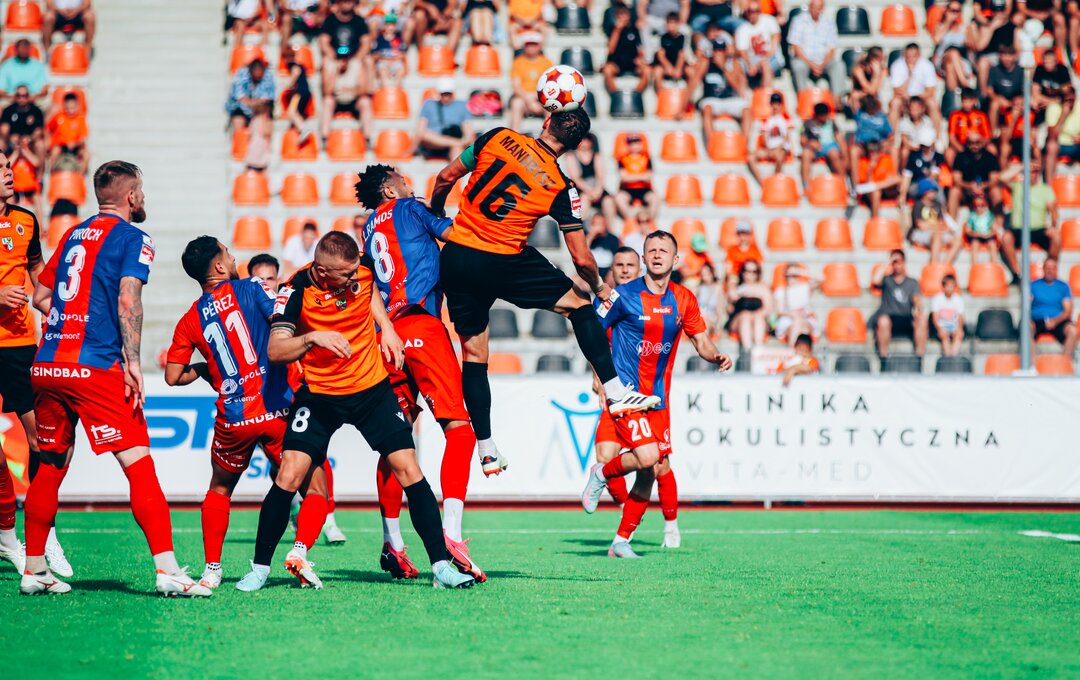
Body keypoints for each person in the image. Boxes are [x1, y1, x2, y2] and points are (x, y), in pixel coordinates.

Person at [430, 109, 662, 471]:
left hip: (458, 256)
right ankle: (616, 392)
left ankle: (486, 448)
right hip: (503, 259)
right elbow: (581, 258)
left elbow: (445, 176)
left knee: (474, 354)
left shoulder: (497, 136)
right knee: (579, 304)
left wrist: (436, 213)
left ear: (545, 121)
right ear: (576, 146)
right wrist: (600, 286)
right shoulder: (560, 185)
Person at [252, 231, 475, 590]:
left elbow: (370, 290)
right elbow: (276, 351)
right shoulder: (295, 290)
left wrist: (387, 327)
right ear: (322, 271)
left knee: (409, 469)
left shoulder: (362, 270)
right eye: (346, 275)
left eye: (356, 270)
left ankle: (441, 566)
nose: (354, 278)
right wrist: (312, 337)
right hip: (320, 395)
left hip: (372, 390)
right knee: (289, 475)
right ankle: (259, 569)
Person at [25, 161, 209, 596]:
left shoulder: (73, 234)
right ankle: (167, 571)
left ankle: (34, 570)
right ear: (130, 196)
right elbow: (129, 298)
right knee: (139, 464)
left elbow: (41, 296)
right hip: (95, 366)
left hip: (47, 364)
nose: (142, 197)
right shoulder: (133, 237)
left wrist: (71, 323)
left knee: (50, 467)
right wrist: (132, 361)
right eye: (140, 190)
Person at [166, 237, 332, 590]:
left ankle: (212, 570)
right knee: (316, 487)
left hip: (235, 417)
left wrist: (207, 369)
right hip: (276, 410)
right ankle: (299, 551)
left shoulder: (189, 319)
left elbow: (173, 376)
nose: (233, 256)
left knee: (219, 489)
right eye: (228, 253)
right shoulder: (253, 287)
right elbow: (283, 321)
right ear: (219, 267)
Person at [356, 165, 489, 583]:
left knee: (396, 443)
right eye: (400, 176)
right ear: (389, 187)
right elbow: (456, 234)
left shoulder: (368, 229)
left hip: (387, 336)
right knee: (461, 431)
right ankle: (452, 535)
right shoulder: (409, 207)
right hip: (421, 326)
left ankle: (392, 544)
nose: (408, 180)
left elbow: (367, 281)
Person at [585, 231, 732, 556]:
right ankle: (602, 474)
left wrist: (716, 356)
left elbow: (701, 340)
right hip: (625, 395)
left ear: (675, 259)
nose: (657, 254)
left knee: (651, 470)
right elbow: (590, 331)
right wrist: (600, 376)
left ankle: (622, 540)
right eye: (651, 249)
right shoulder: (622, 295)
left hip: (658, 399)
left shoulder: (683, 298)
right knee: (637, 457)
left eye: (663, 250)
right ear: (644, 258)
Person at [0, 154, 70, 578]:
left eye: (9, 166)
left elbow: (37, 271)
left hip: (20, 345)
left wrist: (57, 307)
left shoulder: (26, 219)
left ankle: (45, 535)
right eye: (1, 168)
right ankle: (8, 536)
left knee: (41, 441)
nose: (9, 173)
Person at [1002, 159, 1059, 276]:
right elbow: (1001, 178)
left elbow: (1053, 211)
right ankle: (1018, 273)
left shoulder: (1045, 189)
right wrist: (1022, 167)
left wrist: (1053, 226)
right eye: (1030, 171)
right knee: (1006, 237)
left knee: (1056, 237)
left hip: (1038, 229)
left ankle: (1049, 269)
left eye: (1035, 171)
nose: (1032, 174)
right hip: (1019, 229)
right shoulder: (1017, 186)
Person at [697, 21, 751, 144]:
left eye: (721, 50)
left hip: (730, 99)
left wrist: (723, 67)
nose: (718, 53)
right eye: (716, 50)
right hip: (712, 100)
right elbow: (693, 83)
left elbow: (738, 88)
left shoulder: (734, 64)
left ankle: (744, 145)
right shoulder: (706, 63)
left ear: (726, 51)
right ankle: (712, 145)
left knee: (747, 110)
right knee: (707, 109)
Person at [870, 249, 927, 358]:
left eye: (899, 262)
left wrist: (918, 308)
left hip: (906, 317)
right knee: (883, 321)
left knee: (922, 319)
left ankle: (919, 358)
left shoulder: (912, 282)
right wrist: (888, 262)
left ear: (904, 263)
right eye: (894, 262)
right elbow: (875, 280)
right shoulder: (887, 280)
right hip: (890, 318)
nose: (897, 265)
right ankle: (883, 359)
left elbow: (917, 299)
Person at [786, 0, 844, 98]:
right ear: (809, 7)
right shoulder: (798, 21)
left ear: (823, 8)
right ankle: (803, 99)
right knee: (798, 66)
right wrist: (811, 65)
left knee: (838, 66)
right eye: (813, 7)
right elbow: (796, 47)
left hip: (824, 62)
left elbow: (832, 49)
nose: (816, 10)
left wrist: (822, 64)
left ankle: (837, 100)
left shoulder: (829, 22)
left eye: (818, 7)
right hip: (804, 60)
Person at [1032, 49, 1074, 182]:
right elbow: (1035, 95)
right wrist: (1053, 101)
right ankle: (1040, 175)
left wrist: (1054, 101)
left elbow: (1067, 90)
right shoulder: (1039, 70)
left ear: (1056, 61)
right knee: (1037, 141)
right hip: (1044, 109)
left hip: (1054, 104)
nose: (1048, 64)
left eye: (1050, 61)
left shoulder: (1062, 71)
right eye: (1046, 61)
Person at [563, 133, 617, 226]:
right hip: (581, 188)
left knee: (608, 201)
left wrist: (598, 190)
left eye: (587, 140)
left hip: (596, 187)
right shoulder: (571, 156)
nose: (584, 143)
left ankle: (610, 228)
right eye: (581, 140)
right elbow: (575, 178)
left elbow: (600, 176)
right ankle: (581, 227)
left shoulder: (596, 155)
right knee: (584, 199)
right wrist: (590, 191)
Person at [415, 78, 475, 160]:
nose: (446, 97)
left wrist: (467, 141)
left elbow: (468, 130)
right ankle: (457, 143)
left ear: (452, 93)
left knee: (457, 150)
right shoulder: (429, 104)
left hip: (453, 146)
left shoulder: (462, 106)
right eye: (443, 94)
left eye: (448, 94)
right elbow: (421, 132)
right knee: (425, 134)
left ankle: (455, 157)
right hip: (432, 145)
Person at [1030, 257, 1078, 356]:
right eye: (1047, 268)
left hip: (1058, 320)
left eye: (1053, 268)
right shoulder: (1033, 285)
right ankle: (1032, 362)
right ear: (1043, 269)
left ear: (1056, 270)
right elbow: (1026, 306)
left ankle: (1065, 361)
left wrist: (1055, 321)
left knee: (1073, 331)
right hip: (1038, 320)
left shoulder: (1063, 286)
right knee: (1026, 329)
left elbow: (1067, 311)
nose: (1050, 271)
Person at [948, 130, 1000, 218]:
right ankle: (952, 223)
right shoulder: (960, 157)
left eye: (977, 142)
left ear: (982, 143)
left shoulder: (990, 157)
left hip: (985, 189)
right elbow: (956, 180)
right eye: (971, 143)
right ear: (967, 143)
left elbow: (994, 179)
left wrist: (983, 186)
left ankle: (999, 223)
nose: (974, 145)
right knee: (954, 191)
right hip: (967, 190)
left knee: (996, 191)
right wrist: (970, 186)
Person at [321, 53, 373, 140]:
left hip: (353, 101)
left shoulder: (357, 65)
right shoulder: (329, 66)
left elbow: (364, 90)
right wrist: (335, 72)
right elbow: (327, 91)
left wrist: (351, 90)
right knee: (327, 101)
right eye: (340, 59)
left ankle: (367, 137)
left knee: (365, 101)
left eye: (345, 59)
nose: (343, 62)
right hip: (336, 101)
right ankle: (324, 137)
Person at [888, 43, 940, 129]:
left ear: (919, 55)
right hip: (904, 98)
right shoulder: (897, 65)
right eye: (908, 56)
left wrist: (916, 99)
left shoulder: (927, 65)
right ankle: (891, 135)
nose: (911, 59)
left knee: (933, 104)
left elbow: (930, 90)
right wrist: (909, 76)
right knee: (894, 103)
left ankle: (937, 136)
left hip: (921, 98)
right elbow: (897, 91)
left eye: (914, 56)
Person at [507, 33, 553, 130]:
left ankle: (548, 132)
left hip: (541, 99)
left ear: (539, 46)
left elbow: (550, 85)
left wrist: (536, 98)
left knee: (551, 104)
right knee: (516, 103)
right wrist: (529, 101)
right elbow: (516, 87)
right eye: (529, 44)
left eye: (534, 44)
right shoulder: (518, 62)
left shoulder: (547, 63)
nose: (531, 47)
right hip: (524, 98)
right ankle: (515, 133)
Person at [909, 180, 962, 263]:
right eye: (932, 191)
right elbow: (920, 225)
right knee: (937, 236)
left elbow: (944, 224)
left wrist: (931, 225)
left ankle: (945, 265)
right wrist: (936, 225)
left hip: (938, 232)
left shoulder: (937, 205)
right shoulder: (918, 205)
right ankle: (934, 264)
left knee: (957, 241)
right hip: (920, 234)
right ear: (924, 192)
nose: (934, 193)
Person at [800, 102, 847, 191]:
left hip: (829, 146)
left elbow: (839, 138)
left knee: (834, 154)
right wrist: (810, 143)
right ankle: (806, 186)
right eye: (823, 115)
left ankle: (842, 183)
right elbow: (802, 140)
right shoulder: (808, 124)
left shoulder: (831, 123)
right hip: (814, 149)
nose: (825, 117)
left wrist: (844, 154)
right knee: (805, 154)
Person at [726, 259, 772, 350]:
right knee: (745, 316)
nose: (750, 274)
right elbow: (730, 310)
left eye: (754, 271)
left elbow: (767, 309)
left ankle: (758, 349)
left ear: (758, 273)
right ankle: (747, 349)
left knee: (757, 318)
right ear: (742, 272)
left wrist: (754, 315)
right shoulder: (736, 287)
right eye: (747, 271)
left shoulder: (763, 288)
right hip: (738, 319)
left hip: (758, 319)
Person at [735, 0, 782, 88]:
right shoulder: (742, 29)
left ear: (759, 11)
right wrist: (750, 64)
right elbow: (742, 51)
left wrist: (767, 57)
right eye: (749, 11)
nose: (752, 14)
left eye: (755, 11)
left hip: (771, 56)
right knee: (736, 65)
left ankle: (767, 92)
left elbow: (776, 38)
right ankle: (743, 94)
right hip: (753, 59)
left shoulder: (769, 20)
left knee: (765, 65)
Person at [603, 5, 649, 94]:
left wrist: (640, 58)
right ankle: (616, 95)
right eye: (619, 15)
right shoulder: (612, 29)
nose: (622, 17)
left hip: (632, 64)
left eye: (624, 14)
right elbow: (610, 50)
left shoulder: (634, 30)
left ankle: (636, 94)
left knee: (647, 70)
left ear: (629, 15)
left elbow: (640, 49)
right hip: (617, 64)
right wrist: (617, 30)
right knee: (607, 70)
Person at [774, 263, 821, 346]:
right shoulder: (781, 291)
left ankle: (794, 351)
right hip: (788, 319)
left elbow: (820, 279)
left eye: (794, 275)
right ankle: (796, 350)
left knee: (803, 328)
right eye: (789, 275)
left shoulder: (805, 287)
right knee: (800, 325)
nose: (791, 278)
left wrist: (802, 272)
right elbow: (779, 311)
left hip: (806, 319)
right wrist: (793, 314)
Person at [750, 91, 792, 184]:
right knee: (751, 157)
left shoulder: (786, 118)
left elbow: (787, 137)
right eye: (773, 103)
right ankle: (762, 182)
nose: (775, 106)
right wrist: (768, 149)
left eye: (777, 104)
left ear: (781, 105)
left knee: (780, 158)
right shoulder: (767, 119)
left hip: (781, 149)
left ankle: (775, 182)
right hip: (769, 149)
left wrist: (778, 148)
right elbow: (764, 136)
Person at [931, 1, 974, 91]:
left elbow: (971, 45)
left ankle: (954, 94)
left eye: (957, 11)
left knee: (950, 66)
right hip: (943, 58)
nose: (954, 13)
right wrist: (947, 22)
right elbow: (936, 40)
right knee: (953, 53)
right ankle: (964, 84)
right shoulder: (940, 26)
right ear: (946, 11)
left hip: (960, 61)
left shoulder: (964, 28)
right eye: (952, 10)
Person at [614, 133, 658, 220]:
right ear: (628, 145)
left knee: (655, 198)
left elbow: (648, 177)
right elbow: (624, 178)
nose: (635, 146)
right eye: (632, 143)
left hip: (644, 189)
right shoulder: (622, 159)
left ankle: (650, 221)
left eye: (637, 143)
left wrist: (631, 177)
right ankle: (630, 220)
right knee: (619, 198)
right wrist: (641, 177)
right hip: (628, 189)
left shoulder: (646, 158)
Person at [225, 58, 275, 131]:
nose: (258, 74)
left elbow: (267, 98)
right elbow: (240, 97)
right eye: (256, 71)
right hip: (239, 109)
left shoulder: (267, 76)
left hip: (259, 110)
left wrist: (254, 103)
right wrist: (254, 103)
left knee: (265, 115)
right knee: (238, 121)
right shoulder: (241, 75)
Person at [985, 44, 1022, 140]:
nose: (1007, 59)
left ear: (1014, 56)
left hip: (1014, 102)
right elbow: (989, 90)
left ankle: (1009, 136)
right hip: (999, 101)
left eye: (1009, 55)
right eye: (1004, 55)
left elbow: (1024, 92)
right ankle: (994, 134)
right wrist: (998, 99)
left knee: (1018, 108)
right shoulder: (994, 70)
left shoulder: (1020, 71)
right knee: (994, 104)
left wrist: (1016, 100)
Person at [46, 92, 89, 174]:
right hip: (61, 146)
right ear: (64, 106)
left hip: (75, 146)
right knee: (55, 151)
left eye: (73, 108)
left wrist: (75, 143)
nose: (70, 110)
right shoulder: (59, 117)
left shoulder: (80, 118)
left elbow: (83, 137)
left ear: (77, 106)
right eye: (68, 108)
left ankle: (80, 176)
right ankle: (52, 173)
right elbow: (48, 128)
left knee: (86, 154)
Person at [946, 88, 992, 164]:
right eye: (964, 101)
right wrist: (962, 150)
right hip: (962, 145)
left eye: (969, 101)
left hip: (978, 145)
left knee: (992, 149)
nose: (967, 104)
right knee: (949, 152)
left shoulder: (981, 116)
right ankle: (956, 171)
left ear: (974, 101)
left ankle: (992, 170)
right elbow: (952, 137)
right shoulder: (954, 116)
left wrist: (978, 147)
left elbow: (987, 136)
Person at [854, 141, 899, 218]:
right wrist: (870, 170)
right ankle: (875, 219)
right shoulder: (863, 162)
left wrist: (878, 185)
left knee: (897, 179)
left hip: (885, 189)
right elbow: (867, 186)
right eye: (870, 152)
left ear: (879, 152)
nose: (872, 155)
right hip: (868, 194)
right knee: (876, 193)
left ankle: (877, 186)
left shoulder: (886, 160)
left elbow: (894, 179)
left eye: (875, 152)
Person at [900, 128, 947, 201]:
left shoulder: (938, 157)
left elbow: (934, 176)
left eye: (926, 146)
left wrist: (929, 188)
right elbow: (907, 176)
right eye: (922, 145)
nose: (924, 148)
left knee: (934, 189)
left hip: (933, 187)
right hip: (917, 185)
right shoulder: (914, 156)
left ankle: (940, 207)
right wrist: (902, 195)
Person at [0, 85, 45, 159]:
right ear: (15, 96)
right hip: (12, 141)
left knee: (40, 145)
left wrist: (29, 138)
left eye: (24, 96)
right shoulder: (8, 110)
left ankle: (41, 167)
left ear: (28, 96)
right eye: (19, 96)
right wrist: (10, 137)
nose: (21, 98)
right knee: (0, 143)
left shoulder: (36, 111)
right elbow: (3, 129)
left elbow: (39, 131)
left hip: (30, 142)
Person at [652, 13, 691, 94]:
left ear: (678, 25)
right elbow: (661, 55)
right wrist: (669, 67)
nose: (671, 26)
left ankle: (688, 96)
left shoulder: (683, 38)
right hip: (666, 66)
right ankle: (661, 95)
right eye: (669, 24)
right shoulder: (661, 38)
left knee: (691, 71)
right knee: (657, 71)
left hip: (680, 66)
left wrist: (678, 69)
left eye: (673, 24)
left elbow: (682, 54)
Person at [0, 40, 49, 104]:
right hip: (12, 97)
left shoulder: (38, 65)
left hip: (33, 97)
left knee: (52, 106)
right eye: (22, 48)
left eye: (26, 48)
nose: (24, 50)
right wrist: (13, 97)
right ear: (16, 49)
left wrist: (35, 97)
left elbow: (45, 90)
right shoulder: (7, 65)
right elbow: (1, 90)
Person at [896, 96, 936, 171]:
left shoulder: (927, 121)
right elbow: (904, 140)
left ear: (922, 109)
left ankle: (930, 170)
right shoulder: (905, 121)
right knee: (904, 152)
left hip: (924, 145)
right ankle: (903, 171)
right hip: (911, 146)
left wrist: (926, 146)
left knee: (932, 151)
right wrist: (914, 148)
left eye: (917, 109)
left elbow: (931, 137)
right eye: (912, 109)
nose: (914, 112)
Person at [931, 274, 965, 357]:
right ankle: (948, 356)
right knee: (944, 337)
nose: (949, 288)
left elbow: (960, 317)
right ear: (943, 287)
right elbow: (935, 317)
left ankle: (953, 356)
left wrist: (959, 328)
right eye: (948, 286)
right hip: (942, 325)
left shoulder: (958, 299)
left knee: (959, 335)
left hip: (954, 325)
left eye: (951, 286)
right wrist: (939, 329)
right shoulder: (937, 299)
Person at [963, 191, 1001, 266]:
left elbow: (994, 229)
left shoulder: (989, 215)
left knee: (992, 244)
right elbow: (968, 230)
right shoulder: (972, 216)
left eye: (982, 206)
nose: (979, 208)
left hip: (988, 236)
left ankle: (993, 265)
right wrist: (976, 234)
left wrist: (988, 234)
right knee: (974, 244)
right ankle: (974, 265)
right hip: (976, 236)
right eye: (976, 206)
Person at [371, 14, 408, 88]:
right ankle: (385, 89)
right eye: (387, 25)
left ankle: (397, 88)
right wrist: (384, 59)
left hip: (395, 62)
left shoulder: (399, 39)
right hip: (383, 63)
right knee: (382, 69)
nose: (390, 27)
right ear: (384, 26)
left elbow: (403, 55)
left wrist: (405, 68)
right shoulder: (379, 40)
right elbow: (374, 56)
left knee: (400, 69)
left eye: (392, 25)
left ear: (396, 26)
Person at [724, 219, 762, 286]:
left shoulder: (755, 250)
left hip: (751, 279)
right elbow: (728, 269)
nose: (743, 237)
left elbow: (759, 268)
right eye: (741, 233)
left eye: (746, 234)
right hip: (736, 280)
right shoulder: (732, 250)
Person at [848, 47, 885, 113]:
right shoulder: (859, 69)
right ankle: (857, 116)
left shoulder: (883, 70)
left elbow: (876, 90)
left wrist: (876, 74)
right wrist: (875, 75)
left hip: (872, 96)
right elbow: (868, 89)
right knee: (854, 96)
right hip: (861, 97)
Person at [587, 213, 621, 279]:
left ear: (605, 225)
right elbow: (582, 253)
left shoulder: (613, 239)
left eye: (599, 224)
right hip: (590, 272)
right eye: (594, 224)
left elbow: (617, 259)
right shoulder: (587, 237)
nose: (596, 227)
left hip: (608, 272)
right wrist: (591, 235)